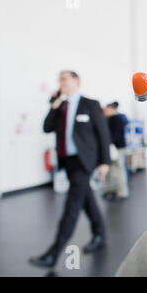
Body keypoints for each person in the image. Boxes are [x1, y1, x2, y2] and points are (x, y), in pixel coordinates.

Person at [29, 71, 111, 268]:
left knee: (72, 206)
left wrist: (105, 161)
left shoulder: (90, 104)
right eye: (60, 79)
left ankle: (53, 253)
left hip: (85, 162)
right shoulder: (61, 106)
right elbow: (47, 128)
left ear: (77, 81)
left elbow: (103, 134)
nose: (62, 82)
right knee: (87, 200)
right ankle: (100, 234)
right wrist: (53, 107)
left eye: (65, 78)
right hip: (68, 161)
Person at [102, 102, 129, 201]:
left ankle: (122, 193)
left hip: (117, 148)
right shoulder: (108, 119)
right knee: (109, 170)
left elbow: (115, 135)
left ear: (110, 109)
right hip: (110, 148)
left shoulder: (117, 119)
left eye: (106, 109)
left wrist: (108, 143)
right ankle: (111, 190)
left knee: (118, 169)